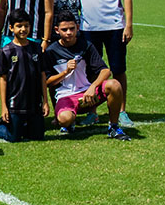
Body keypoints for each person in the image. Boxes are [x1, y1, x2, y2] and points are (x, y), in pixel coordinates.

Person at [67, 0, 134, 127]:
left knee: (118, 69)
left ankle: (121, 111)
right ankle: (93, 111)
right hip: (88, 28)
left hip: (114, 26)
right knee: (91, 72)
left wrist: (128, 25)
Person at [43, 11, 131, 141]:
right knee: (65, 119)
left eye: (72, 29)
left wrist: (93, 86)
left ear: (77, 28)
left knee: (114, 85)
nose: (69, 32)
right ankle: (69, 123)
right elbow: (48, 82)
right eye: (64, 29)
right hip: (66, 96)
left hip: (88, 94)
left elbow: (105, 71)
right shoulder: (51, 51)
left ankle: (113, 127)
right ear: (57, 30)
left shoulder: (86, 46)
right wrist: (65, 72)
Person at [0, 9, 49, 142]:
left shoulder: (37, 48)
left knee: (37, 137)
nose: (23, 29)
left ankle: (25, 126)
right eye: (19, 26)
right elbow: (3, 79)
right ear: (11, 28)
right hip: (15, 105)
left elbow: (43, 75)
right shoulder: (7, 51)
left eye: (26, 25)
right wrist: (4, 106)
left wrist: (45, 102)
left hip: (34, 104)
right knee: (13, 138)